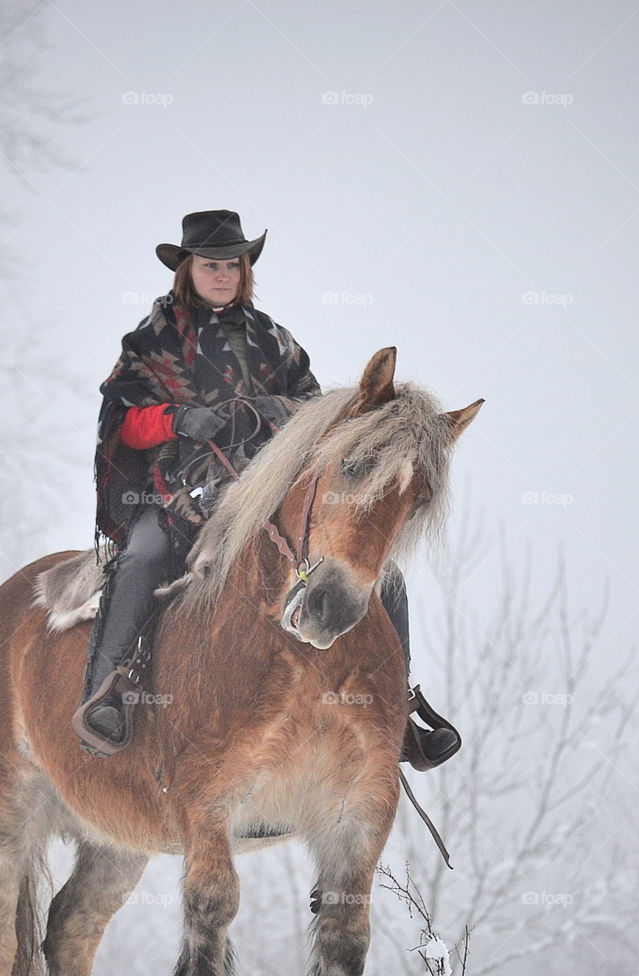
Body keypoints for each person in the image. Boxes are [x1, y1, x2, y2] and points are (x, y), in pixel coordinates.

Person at [73, 210, 459, 772]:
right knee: (143, 558)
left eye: (233, 264)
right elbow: (123, 423)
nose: (223, 274)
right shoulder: (151, 341)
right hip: (176, 489)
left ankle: (398, 708)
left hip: (266, 489)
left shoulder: (275, 340)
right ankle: (109, 694)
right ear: (187, 270)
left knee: (384, 573)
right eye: (211, 265)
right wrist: (180, 421)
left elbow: (319, 413)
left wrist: (268, 412)